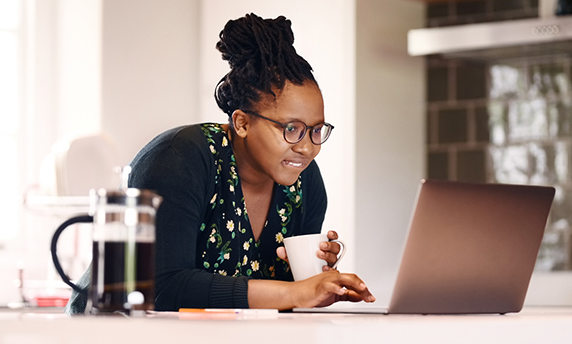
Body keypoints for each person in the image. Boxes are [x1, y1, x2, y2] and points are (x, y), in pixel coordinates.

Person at [66, 13, 374, 313]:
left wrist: (311, 278)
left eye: (316, 130)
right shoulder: (179, 159)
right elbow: (162, 287)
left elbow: (283, 303)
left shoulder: (305, 182)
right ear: (242, 123)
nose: (307, 148)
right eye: (291, 129)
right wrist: (294, 291)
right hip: (110, 333)